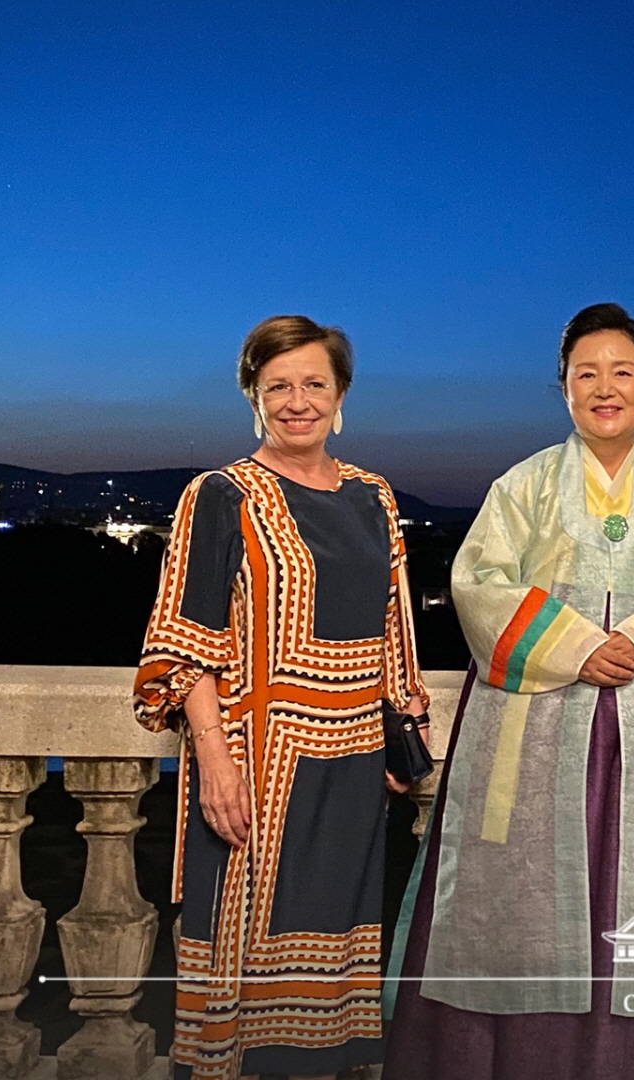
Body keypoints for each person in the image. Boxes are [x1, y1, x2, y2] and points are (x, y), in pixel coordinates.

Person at [383, 303, 634, 1080]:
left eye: (622, 372)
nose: (605, 388)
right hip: (533, 739)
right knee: (518, 906)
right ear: (562, 388)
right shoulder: (521, 488)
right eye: (585, 373)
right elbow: (476, 584)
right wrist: (579, 648)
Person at [134, 315, 428, 1080]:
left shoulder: (374, 496)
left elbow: (395, 627)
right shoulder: (222, 495)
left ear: (341, 395)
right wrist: (215, 760)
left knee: (332, 991)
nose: (298, 402)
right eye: (279, 387)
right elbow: (182, 641)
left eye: (313, 385)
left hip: (357, 768)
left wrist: (402, 731)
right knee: (246, 993)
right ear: (254, 397)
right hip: (257, 771)